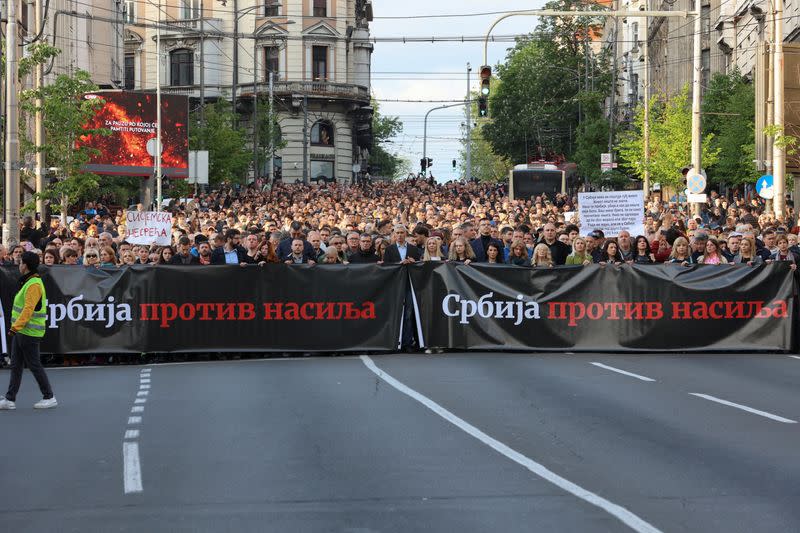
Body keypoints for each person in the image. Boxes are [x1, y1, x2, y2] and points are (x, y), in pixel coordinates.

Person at [0, 252, 57, 410]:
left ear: (25, 265)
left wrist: (14, 328)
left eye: (20, 262)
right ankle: (10, 399)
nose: (18, 265)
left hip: (29, 332)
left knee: (34, 365)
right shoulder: (29, 281)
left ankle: (49, 396)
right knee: (16, 366)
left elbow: (28, 310)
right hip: (23, 332)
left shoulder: (33, 284)